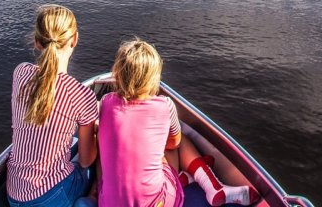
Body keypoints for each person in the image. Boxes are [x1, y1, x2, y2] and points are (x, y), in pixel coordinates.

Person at [97, 39, 260, 207]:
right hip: (158, 203)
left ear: (118, 73)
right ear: (153, 77)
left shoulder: (106, 102)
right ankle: (210, 185)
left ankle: (186, 177)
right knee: (179, 140)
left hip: (108, 203)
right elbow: (174, 144)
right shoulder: (165, 105)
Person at [6, 5, 99, 207]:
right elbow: (85, 160)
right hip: (50, 197)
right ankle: (91, 199)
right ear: (75, 39)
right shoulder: (81, 95)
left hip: (13, 194)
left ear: (37, 42)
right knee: (96, 164)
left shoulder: (20, 73)